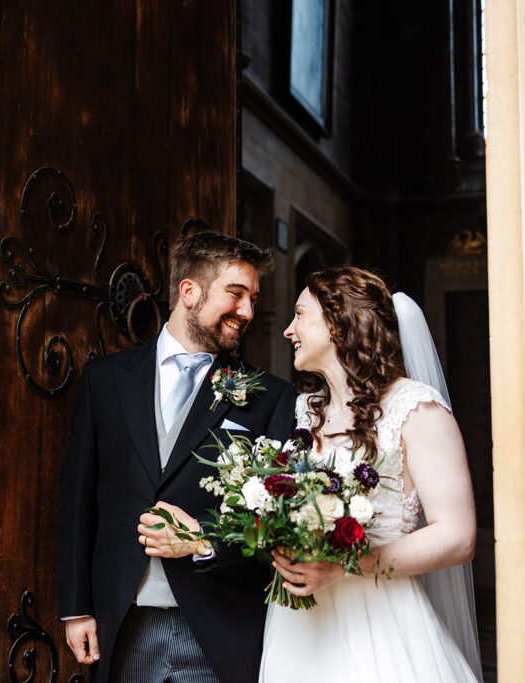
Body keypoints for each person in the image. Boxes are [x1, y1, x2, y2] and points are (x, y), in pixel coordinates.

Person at [59, 231, 297, 683]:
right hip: (122, 621)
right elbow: (78, 499)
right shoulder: (104, 381)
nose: (248, 311)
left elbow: (275, 522)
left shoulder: (270, 397)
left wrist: (206, 541)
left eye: (253, 298)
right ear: (189, 291)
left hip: (221, 624)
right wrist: (76, 608)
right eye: (236, 293)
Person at [260, 266, 481, 682]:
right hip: (299, 629)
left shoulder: (416, 410)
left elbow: (458, 536)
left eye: (300, 315)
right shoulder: (305, 412)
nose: (288, 330)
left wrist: (344, 567)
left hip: (380, 621)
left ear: (338, 322)